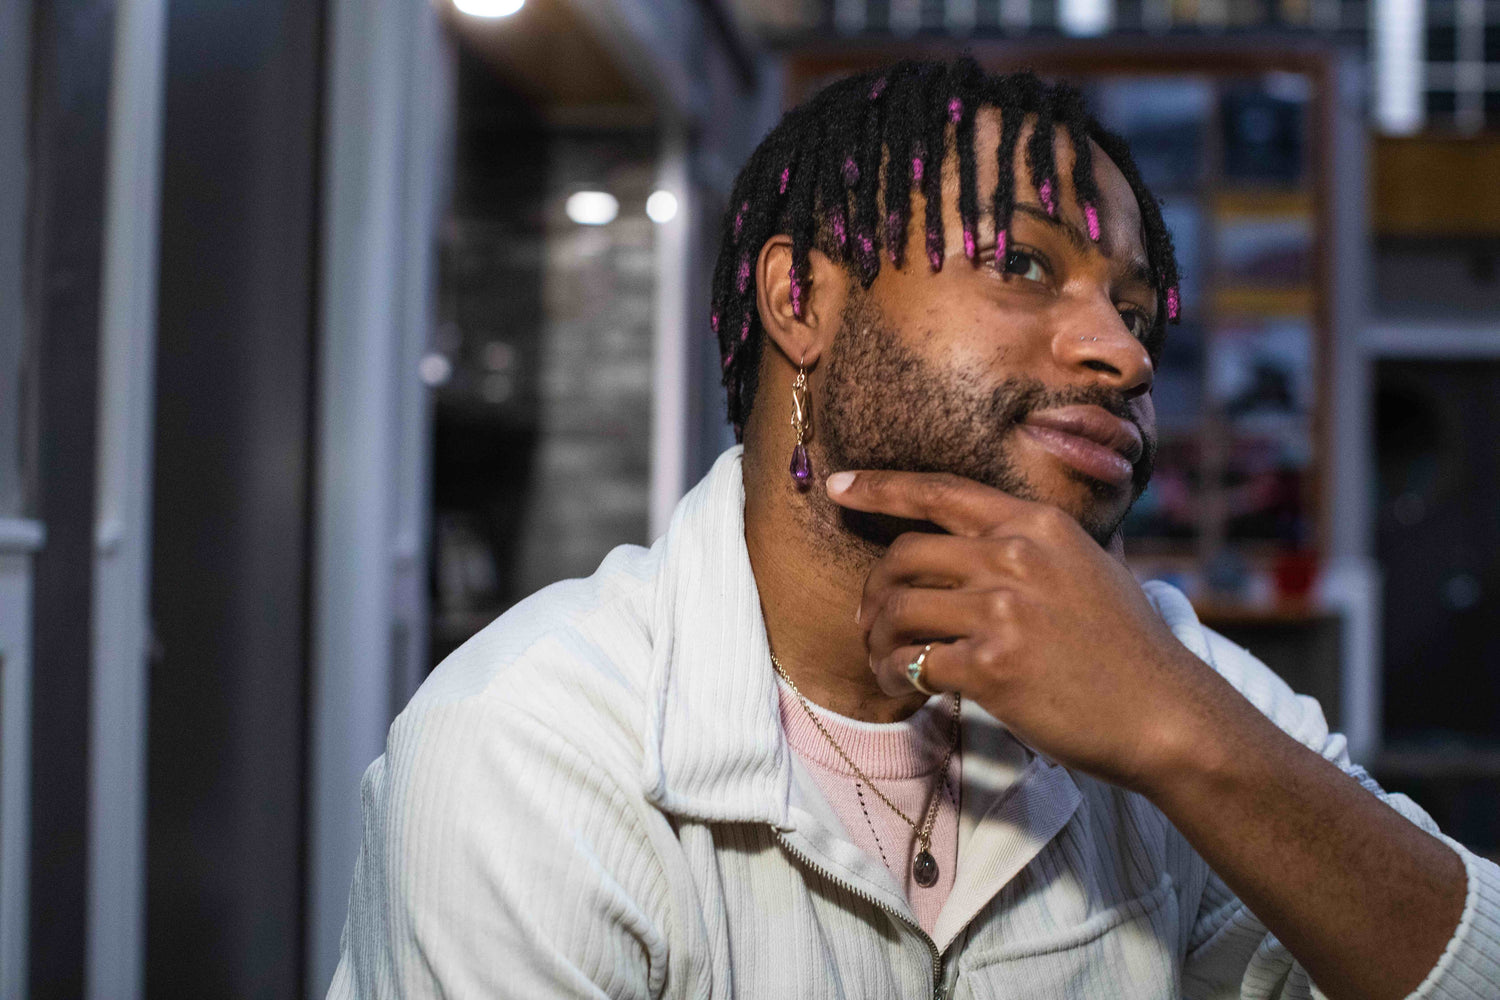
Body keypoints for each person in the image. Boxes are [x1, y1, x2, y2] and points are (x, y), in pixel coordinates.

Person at [329, 59, 1500, 999]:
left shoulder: (1171, 683)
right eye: (1028, 264)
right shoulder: (536, 749)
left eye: (1136, 310)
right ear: (801, 301)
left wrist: (1183, 736)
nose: (1127, 354)